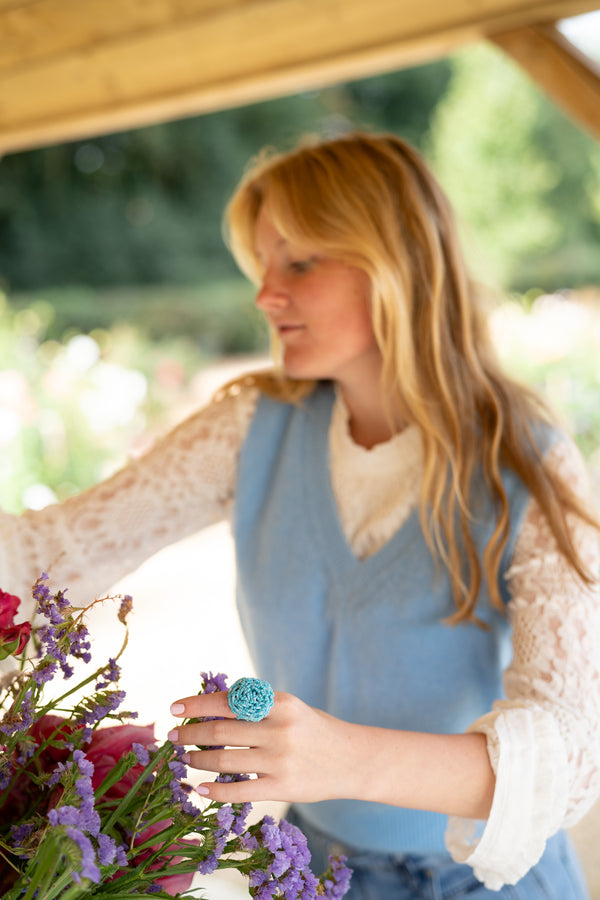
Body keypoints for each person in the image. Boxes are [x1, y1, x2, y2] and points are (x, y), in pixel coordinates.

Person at [1, 131, 599, 899]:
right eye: (263, 264)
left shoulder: (525, 457)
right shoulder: (250, 427)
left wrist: (341, 758)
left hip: (494, 879)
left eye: (300, 262)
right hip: (319, 874)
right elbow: (51, 551)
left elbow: (572, 749)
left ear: (398, 266)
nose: (264, 294)